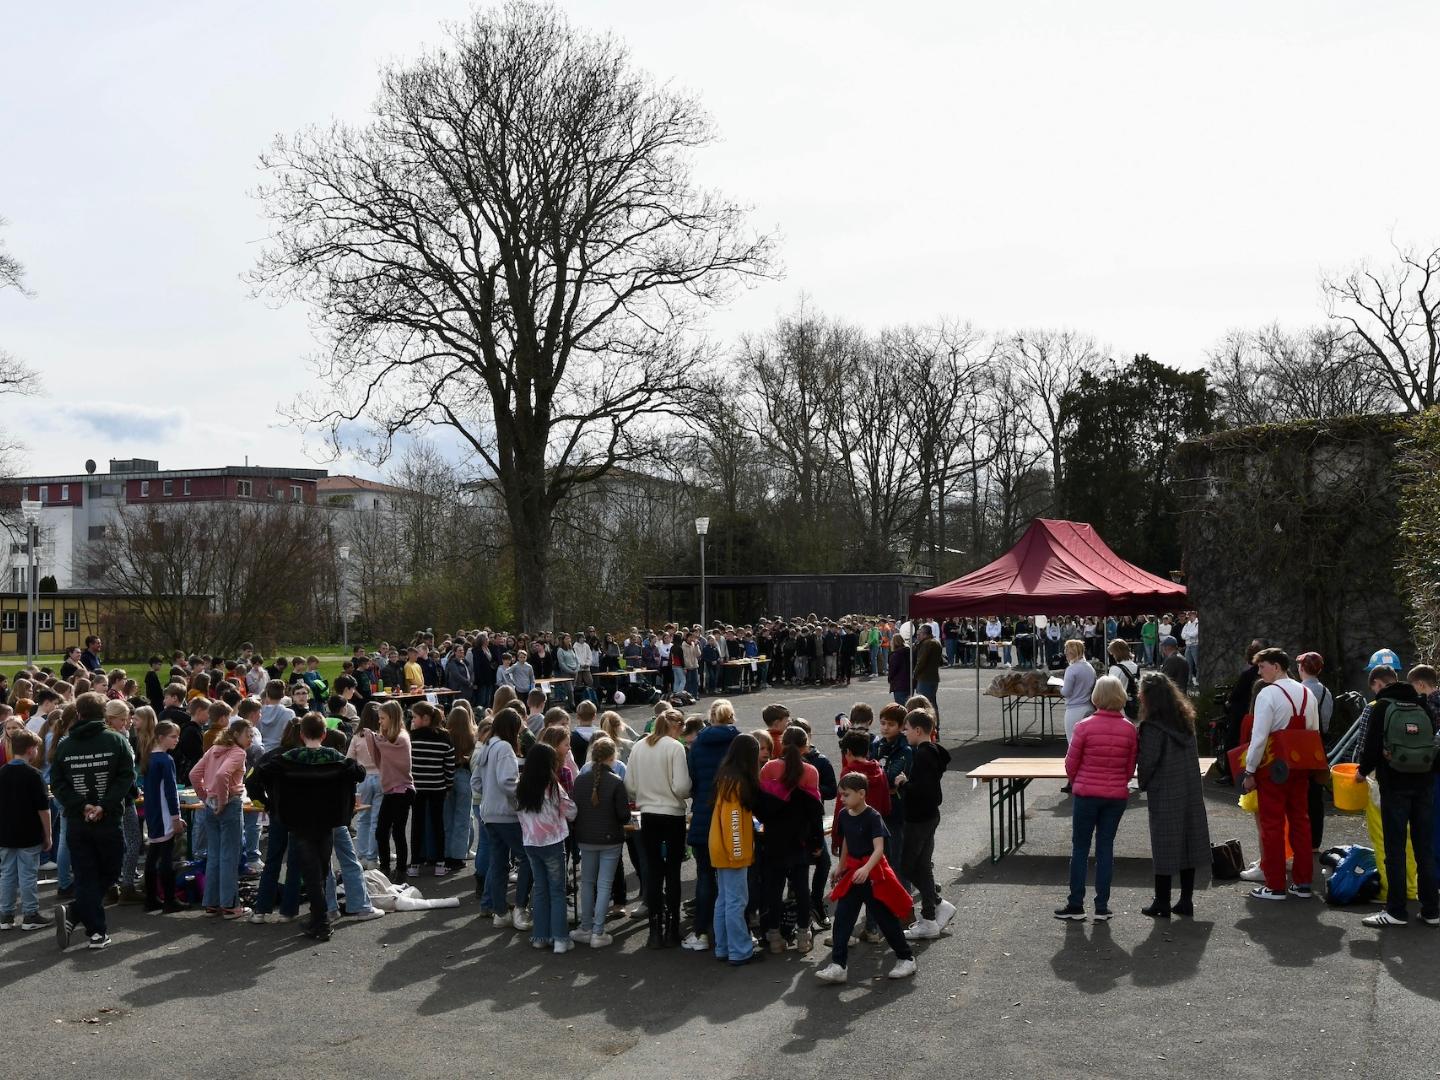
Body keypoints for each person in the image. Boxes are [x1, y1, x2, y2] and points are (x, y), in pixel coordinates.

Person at [258, 712, 366, 942]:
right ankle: (320, 920)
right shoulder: (335, 757)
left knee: (313, 873)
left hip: (300, 820)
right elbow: (359, 772)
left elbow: (262, 772)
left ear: (301, 734)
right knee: (321, 869)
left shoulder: (288, 758)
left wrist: (275, 801)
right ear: (324, 734)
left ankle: (321, 921)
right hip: (328, 819)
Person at [1354, 664, 1439, 928]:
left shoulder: (1380, 707)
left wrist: (1361, 773)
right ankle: (1431, 910)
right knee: (1424, 847)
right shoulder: (1421, 705)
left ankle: (1396, 911)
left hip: (1395, 784)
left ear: (1381, 686)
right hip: (1424, 783)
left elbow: (1369, 750)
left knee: (1395, 848)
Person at [814, 773, 917, 984]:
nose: (841, 799)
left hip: (873, 876)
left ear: (861, 794)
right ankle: (838, 965)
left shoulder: (873, 816)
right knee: (842, 919)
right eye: (841, 794)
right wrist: (841, 866)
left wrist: (866, 869)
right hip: (854, 874)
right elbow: (847, 843)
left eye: (846, 794)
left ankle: (906, 958)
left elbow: (879, 848)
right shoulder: (844, 815)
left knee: (885, 919)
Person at [1055, 676, 1137, 921]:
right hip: (1115, 796)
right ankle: (1102, 906)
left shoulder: (1084, 726)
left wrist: (1079, 779)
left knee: (1080, 848)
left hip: (1087, 794)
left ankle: (1076, 904)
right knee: (1105, 848)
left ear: (1097, 696)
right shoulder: (1129, 728)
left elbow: (1071, 764)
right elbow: (1129, 768)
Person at [1241, 647, 1319, 902]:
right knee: (1301, 822)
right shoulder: (1308, 693)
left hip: (1273, 769)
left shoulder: (1268, 695)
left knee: (1272, 825)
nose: (1259, 670)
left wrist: (1250, 769)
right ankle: (1303, 882)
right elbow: (1313, 733)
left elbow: (1259, 737)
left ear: (1276, 666)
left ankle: (1275, 885)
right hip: (1301, 766)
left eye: (1262, 666)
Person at [1135, 674, 1210, 918]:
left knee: (1164, 845)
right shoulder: (1185, 719)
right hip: (1189, 788)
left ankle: (1162, 901)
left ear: (1148, 697)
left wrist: (1142, 784)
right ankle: (1185, 900)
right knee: (1188, 842)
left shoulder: (1152, 727)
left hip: (1164, 790)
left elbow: (1147, 763)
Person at [625, 709, 692, 948]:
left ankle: (655, 929)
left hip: (647, 814)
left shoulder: (639, 747)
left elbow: (630, 785)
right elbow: (682, 786)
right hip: (671, 813)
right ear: (674, 727)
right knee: (672, 871)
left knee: (652, 870)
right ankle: (673, 928)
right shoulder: (674, 748)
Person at [756, 725, 824, 954]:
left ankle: (774, 937)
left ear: (781, 744)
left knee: (774, 890)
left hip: (774, 840)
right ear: (806, 746)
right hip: (800, 841)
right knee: (802, 889)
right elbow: (815, 814)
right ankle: (804, 937)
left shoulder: (769, 769)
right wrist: (816, 843)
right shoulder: (811, 772)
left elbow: (761, 809)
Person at [684, 697, 741, 953]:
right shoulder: (740, 743)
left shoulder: (697, 745)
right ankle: (736, 933)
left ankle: (702, 932)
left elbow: (693, 779)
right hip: (733, 818)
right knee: (735, 880)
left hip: (704, 815)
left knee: (706, 876)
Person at [897, 709, 955, 939]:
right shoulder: (932, 752)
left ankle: (934, 909)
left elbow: (923, 790)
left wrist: (903, 783)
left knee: (908, 866)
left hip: (919, 818)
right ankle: (931, 915)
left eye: (907, 728)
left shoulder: (922, 755)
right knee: (921, 867)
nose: (905, 732)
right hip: (929, 816)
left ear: (918, 730)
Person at [516, 742, 578, 953]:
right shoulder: (552, 786)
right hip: (552, 841)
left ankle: (540, 936)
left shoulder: (521, 785)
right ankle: (560, 938)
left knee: (540, 889)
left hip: (531, 842)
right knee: (557, 891)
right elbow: (571, 811)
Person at [568, 736, 630, 948]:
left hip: (585, 837)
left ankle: (586, 927)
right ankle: (598, 931)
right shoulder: (616, 781)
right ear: (612, 757)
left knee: (586, 882)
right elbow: (623, 815)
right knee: (604, 884)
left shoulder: (580, 780)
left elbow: (575, 810)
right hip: (610, 838)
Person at [191, 719, 254, 920]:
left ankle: (211, 903)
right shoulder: (238, 752)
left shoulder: (213, 749)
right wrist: (223, 801)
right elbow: (222, 774)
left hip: (210, 804)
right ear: (236, 735)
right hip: (228, 805)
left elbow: (194, 774)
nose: (251, 739)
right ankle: (230, 905)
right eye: (248, 735)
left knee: (215, 855)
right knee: (229, 855)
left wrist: (204, 796)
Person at [709, 732, 763, 965]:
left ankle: (724, 947)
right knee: (735, 901)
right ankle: (740, 950)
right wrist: (739, 853)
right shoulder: (737, 783)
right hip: (732, 851)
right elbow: (733, 822)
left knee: (724, 900)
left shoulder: (726, 776)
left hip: (720, 847)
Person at [476, 709, 532, 929]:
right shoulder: (505, 748)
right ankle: (520, 908)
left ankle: (500, 911)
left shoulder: (487, 746)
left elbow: (476, 782)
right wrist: (524, 794)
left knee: (499, 862)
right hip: (506, 814)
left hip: (488, 813)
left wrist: (489, 796)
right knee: (526, 858)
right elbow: (508, 782)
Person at [0, 729, 52, 932]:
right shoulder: (34, 775)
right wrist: (48, 835)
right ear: (31, 750)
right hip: (29, 833)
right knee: (28, 875)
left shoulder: (2, 773)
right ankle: (30, 914)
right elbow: (43, 809)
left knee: (7, 874)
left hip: (5, 833)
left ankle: (6, 915)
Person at [363, 700, 415, 885]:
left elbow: (395, 755)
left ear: (392, 718)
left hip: (403, 789)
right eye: (379, 719)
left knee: (398, 831)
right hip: (391, 790)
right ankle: (385, 866)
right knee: (381, 831)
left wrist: (375, 739)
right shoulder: (385, 737)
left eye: (383, 718)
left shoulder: (401, 737)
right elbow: (378, 757)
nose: (380, 722)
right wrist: (373, 739)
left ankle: (401, 870)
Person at [141, 720, 185, 915]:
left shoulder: (149, 757)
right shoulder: (165, 760)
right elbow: (170, 791)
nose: (177, 740)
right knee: (165, 855)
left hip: (153, 811)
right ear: (160, 737)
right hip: (165, 812)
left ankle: (151, 898)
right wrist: (176, 817)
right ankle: (169, 899)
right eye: (173, 737)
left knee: (153, 853)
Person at [408, 701, 456, 877]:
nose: (412, 720)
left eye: (414, 717)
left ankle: (414, 863)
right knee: (438, 824)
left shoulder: (412, 737)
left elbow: (409, 763)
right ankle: (440, 862)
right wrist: (449, 785)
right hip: (438, 786)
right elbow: (449, 765)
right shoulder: (445, 737)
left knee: (417, 825)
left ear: (425, 718)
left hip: (418, 786)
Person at [1296, 652, 1334, 850]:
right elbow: (1325, 723)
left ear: (1302, 668)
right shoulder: (1326, 693)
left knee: (1298, 793)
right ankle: (1315, 842)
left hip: (1300, 745)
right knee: (1316, 794)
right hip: (1319, 746)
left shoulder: (1298, 691)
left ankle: (1300, 840)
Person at [444, 705, 476, 874]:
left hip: (447, 777)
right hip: (464, 775)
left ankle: (447, 854)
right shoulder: (471, 736)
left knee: (447, 817)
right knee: (462, 819)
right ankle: (458, 856)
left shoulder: (446, 735)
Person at [1061, 639, 1097, 747]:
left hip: (1074, 710)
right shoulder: (1090, 668)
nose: (1065, 653)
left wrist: (1059, 687)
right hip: (1089, 707)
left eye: (1066, 650)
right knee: (1089, 744)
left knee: (1073, 744)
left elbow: (1066, 692)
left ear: (1071, 653)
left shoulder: (1071, 669)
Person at [912, 625, 943, 722]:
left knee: (926, 704)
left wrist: (914, 674)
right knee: (932, 703)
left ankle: (930, 726)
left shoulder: (926, 644)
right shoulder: (936, 642)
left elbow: (921, 661)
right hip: (933, 677)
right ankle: (935, 726)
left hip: (925, 677)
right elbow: (940, 661)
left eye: (919, 633)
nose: (918, 636)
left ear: (924, 634)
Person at [1106, 640, 1141, 719]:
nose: (1112, 656)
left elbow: (1110, 690)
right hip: (1133, 704)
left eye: (1112, 653)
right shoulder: (1136, 666)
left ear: (1117, 653)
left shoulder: (1115, 669)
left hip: (1119, 707)